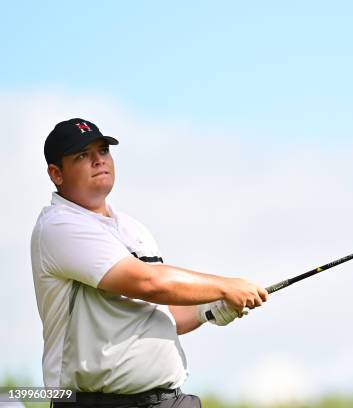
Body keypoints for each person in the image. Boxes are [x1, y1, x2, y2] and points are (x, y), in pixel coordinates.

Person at [30, 118, 268, 408]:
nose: (98, 160)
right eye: (82, 155)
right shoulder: (59, 227)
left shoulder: (133, 229)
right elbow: (149, 283)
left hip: (169, 400)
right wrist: (224, 287)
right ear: (56, 173)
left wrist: (209, 309)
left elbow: (162, 312)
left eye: (103, 150)